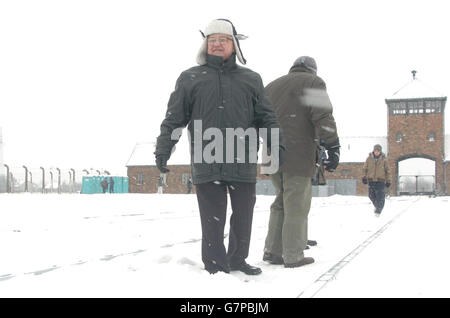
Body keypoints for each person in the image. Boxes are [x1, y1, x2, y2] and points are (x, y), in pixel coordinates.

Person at [154, 19, 282, 275]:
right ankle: (215, 265)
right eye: (212, 40)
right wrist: (163, 148)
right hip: (207, 157)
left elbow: (266, 116)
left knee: (243, 215)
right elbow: (175, 118)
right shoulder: (190, 78)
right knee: (212, 218)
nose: (217, 44)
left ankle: (237, 260)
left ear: (233, 45)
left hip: (242, 157)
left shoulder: (251, 79)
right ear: (205, 45)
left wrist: (275, 145)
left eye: (222, 40)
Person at [262, 56, 340, 268]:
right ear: (312, 70)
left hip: (272, 153)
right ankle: (293, 254)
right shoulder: (313, 82)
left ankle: (272, 250)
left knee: (281, 201)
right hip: (296, 151)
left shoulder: (271, 86)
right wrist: (333, 145)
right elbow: (323, 117)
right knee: (296, 203)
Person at [362, 144, 391, 216]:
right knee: (371, 195)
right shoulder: (369, 159)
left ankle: (378, 210)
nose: (376, 152)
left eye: (378, 151)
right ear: (373, 151)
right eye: (375, 151)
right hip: (371, 180)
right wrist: (364, 177)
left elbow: (388, 171)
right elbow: (364, 169)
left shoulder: (384, 160)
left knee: (380, 196)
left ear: (380, 152)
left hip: (380, 180)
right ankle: (377, 206)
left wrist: (388, 180)